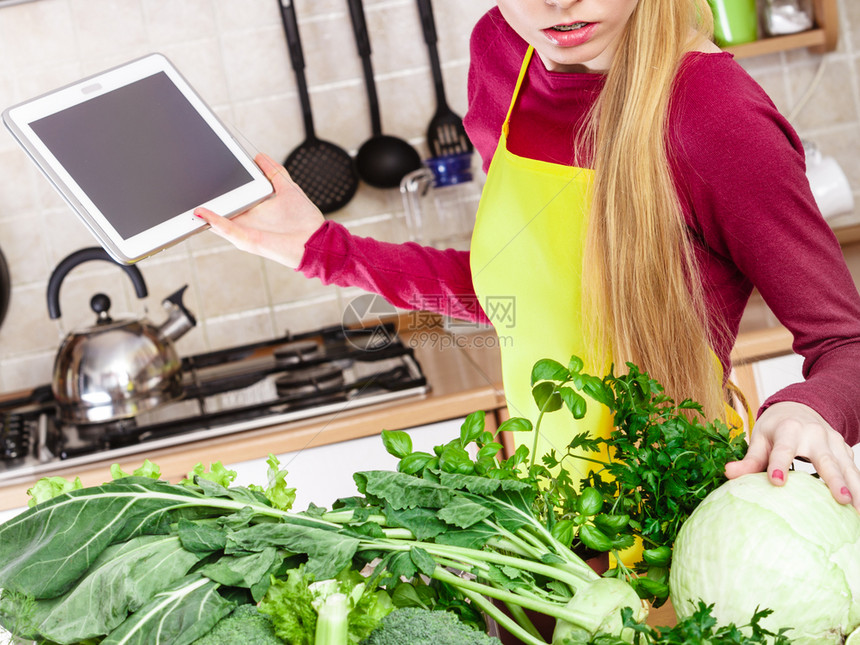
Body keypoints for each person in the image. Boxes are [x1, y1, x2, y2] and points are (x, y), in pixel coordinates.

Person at [195, 0, 860, 511]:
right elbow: (516, 288)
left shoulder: (714, 112)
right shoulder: (501, 53)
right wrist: (319, 248)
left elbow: (845, 342)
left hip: (678, 525)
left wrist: (806, 407)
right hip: (549, 522)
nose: (556, 1)